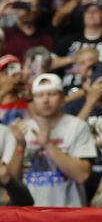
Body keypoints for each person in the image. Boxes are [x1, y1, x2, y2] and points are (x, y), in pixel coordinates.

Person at [15, 74, 97, 207]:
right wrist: (19, 146)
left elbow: (82, 175)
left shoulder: (77, 126)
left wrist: (48, 145)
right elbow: (11, 181)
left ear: (62, 98)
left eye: (51, 94)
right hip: (30, 213)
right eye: (39, 95)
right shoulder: (22, 129)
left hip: (68, 213)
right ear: (33, 100)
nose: (45, 100)